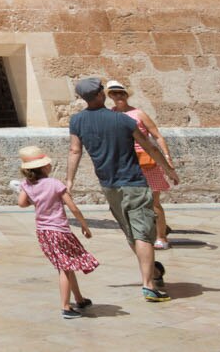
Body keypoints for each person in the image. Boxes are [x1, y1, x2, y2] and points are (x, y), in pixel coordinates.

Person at [65, 77, 178, 303]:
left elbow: (75, 151)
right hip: (134, 182)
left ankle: (153, 273)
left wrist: (69, 180)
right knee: (144, 233)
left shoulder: (77, 121)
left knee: (130, 232)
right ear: (100, 95)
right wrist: (169, 170)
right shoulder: (123, 120)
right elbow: (150, 147)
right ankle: (149, 285)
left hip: (109, 185)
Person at [13, 144, 99, 319]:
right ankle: (66, 306)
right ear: (45, 167)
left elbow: (22, 203)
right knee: (65, 268)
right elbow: (73, 207)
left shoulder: (26, 185)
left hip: (43, 232)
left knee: (67, 265)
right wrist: (84, 225)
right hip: (59, 231)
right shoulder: (55, 184)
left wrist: (35, 199)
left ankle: (79, 299)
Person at [104, 80, 174, 249]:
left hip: (147, 161)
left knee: (153, 202)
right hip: (126, 163)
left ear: (126, 95)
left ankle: (161, 236)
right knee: (129, 202)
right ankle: (144, 234)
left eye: (121, 93)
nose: (118, 96)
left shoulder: (138, 114)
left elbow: (157, 135)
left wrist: (166, 156)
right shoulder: (110, 115)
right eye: (114, 93)